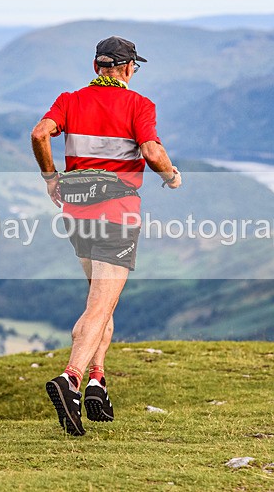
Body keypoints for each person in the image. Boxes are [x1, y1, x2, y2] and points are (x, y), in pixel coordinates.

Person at [30, 36, 181, 436]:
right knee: (99, 306)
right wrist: (172, 176)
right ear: (128, 67)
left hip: (77, 214)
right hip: (117, 214)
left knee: (101, 301)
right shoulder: (139, 105)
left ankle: (97, 379)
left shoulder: (69, 100)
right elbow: (151, 152)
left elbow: (39, 134)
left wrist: (50, 178)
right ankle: (72, 378)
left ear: (98, 67)